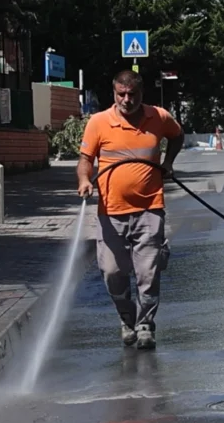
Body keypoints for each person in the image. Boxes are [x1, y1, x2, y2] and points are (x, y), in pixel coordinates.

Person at [76, 70, 185, 350]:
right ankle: (127, 318)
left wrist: (169, 163)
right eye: (121, 94)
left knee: (147, 273)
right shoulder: (99, 122)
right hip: (111, 211)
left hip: (150, 207)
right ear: (114, 93)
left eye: (132, 94)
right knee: (112, 271)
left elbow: (177, 136)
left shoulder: (158, 117)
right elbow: (86, 159)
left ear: (141, 93)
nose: (127, 100)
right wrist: (85, 180)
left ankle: (146, 324)